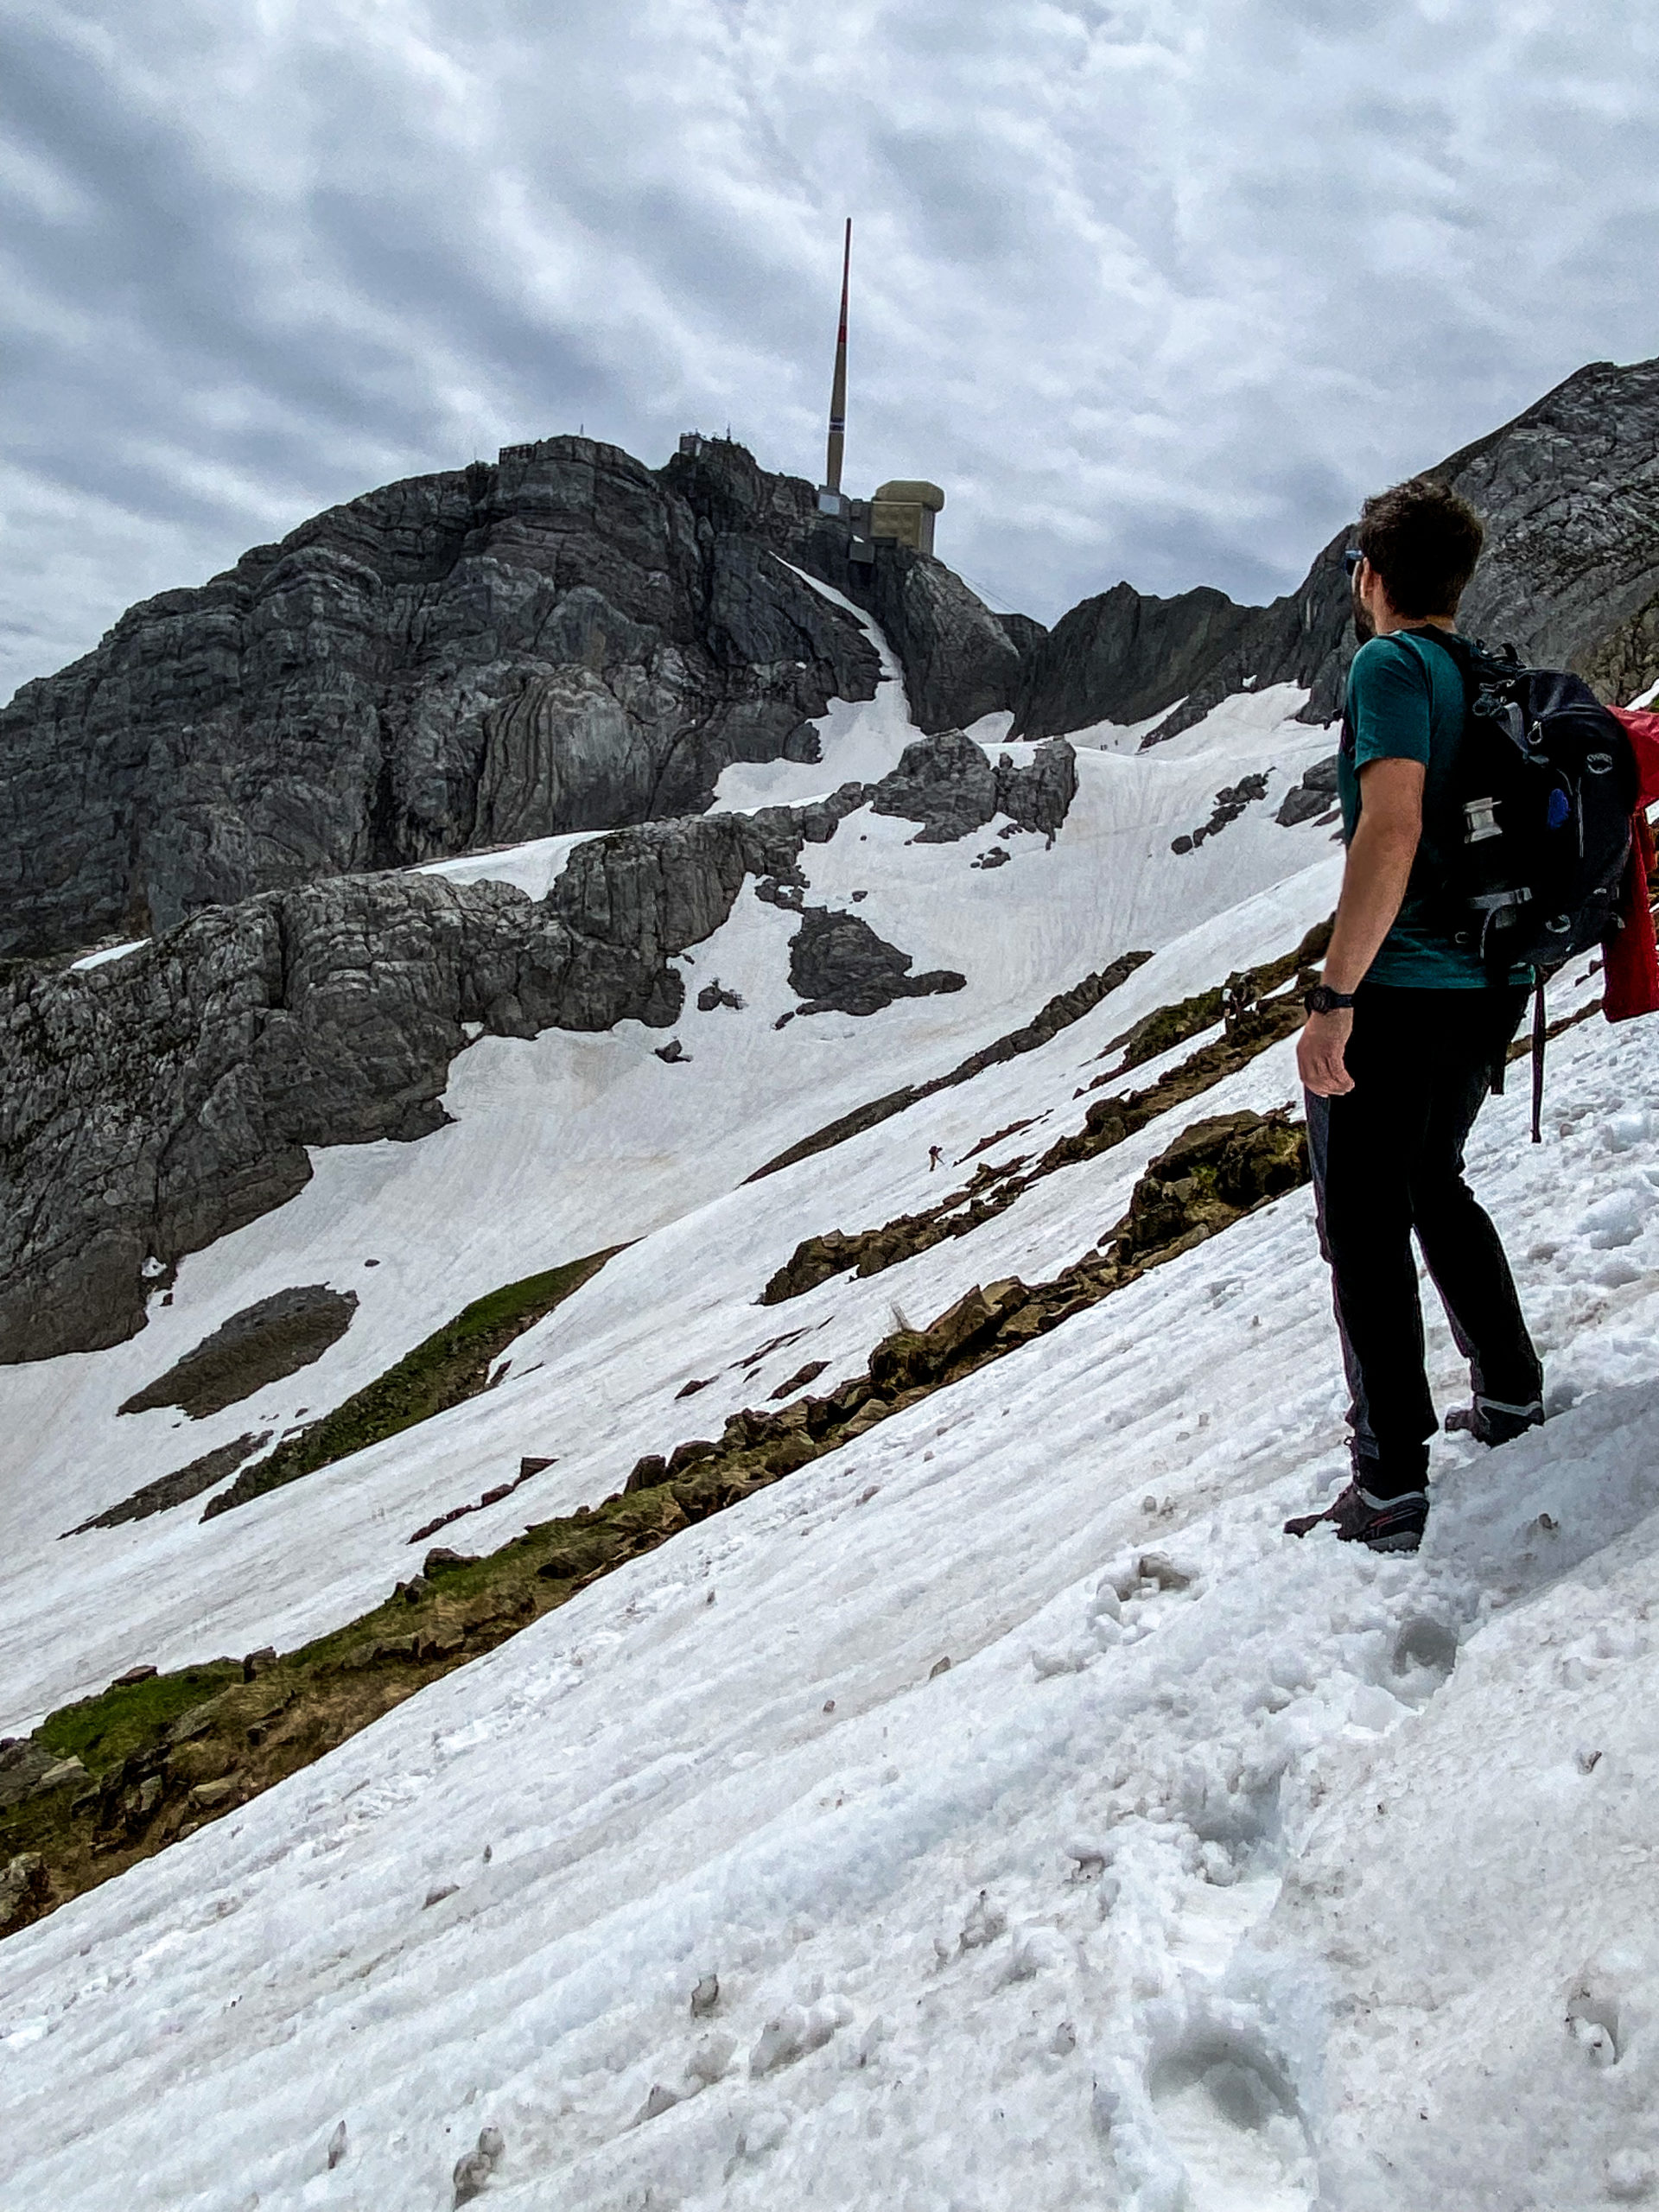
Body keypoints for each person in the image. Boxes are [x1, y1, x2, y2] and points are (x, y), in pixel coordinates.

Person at [1286, 475, 1543, 1555]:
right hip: (1487, 991)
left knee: (1362, 1226)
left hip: (1401, 992)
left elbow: (1387, 832)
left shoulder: (1389, 664)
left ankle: (1388, 1480)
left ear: (1371, 578)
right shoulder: (1485, 674)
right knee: (1434, 1181)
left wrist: (1335, 996)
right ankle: (1511, 1393)